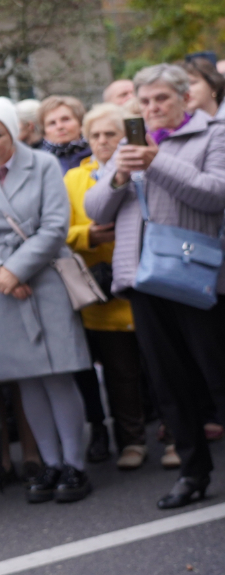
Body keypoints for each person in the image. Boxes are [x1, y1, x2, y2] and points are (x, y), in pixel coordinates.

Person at [85, 64, 225, 509]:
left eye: (161, 99)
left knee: (217, 375)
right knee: (169, 382)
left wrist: (156, 161)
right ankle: (192, 470)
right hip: (143, 279)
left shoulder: (212, 134)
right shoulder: (130, 146)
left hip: (197, 276)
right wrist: (120, 175)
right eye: (144, 102)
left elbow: (215, 193)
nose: (152, 109)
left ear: (185, 98)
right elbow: (95, 208)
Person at [0, 98, 94, 504]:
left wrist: (17, 269)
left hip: (43, 277)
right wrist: (0, 273)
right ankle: (49, 463)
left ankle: (75, 465)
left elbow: (55, 226)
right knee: (27, 376)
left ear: (15, 132)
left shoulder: (43, 165)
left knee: (57, 372)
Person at [65, 104, 149, 470]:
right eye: (95, 135)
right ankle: (131, 442)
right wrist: (88, 235)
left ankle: (178, 435)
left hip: (148, 284)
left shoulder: (144, 172)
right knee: (120, 375)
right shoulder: (73, 180)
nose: (102, 141)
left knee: (161, 369)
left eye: (110, 134)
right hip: (103, 294)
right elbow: (58, 232)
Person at [38, 95, 110, 461]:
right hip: (64, 272)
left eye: (66, 119)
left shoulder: (96, 158)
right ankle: (97, 426)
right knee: (81, 357)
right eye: (52, 122)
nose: (60, 126)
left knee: (114, 353)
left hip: (103, 264)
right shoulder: (40, 164)